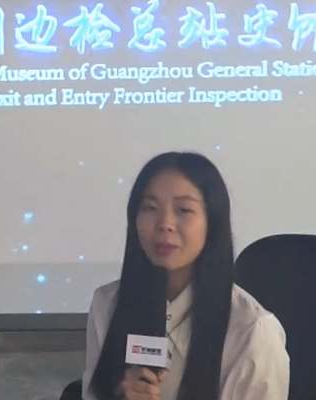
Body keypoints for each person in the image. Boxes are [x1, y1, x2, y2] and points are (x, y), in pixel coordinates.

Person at [82, 152, 290, 400]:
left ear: (212, 223)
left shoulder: (253, 332)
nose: (165, 224)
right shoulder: (107, 304)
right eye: (150, 208)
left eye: (183, 210)